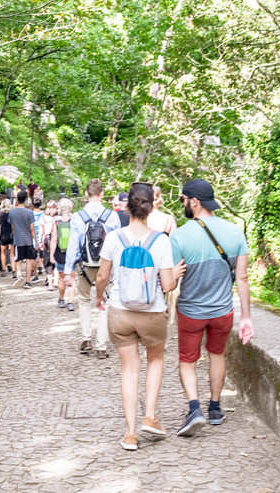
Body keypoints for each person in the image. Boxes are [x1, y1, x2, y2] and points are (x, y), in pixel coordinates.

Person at [94, 183, 185, 451]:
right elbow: (168, 285)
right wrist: (174, 275)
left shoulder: (114, 238)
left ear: (126, 206)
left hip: (120, 312)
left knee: (128, 370)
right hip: (152, 313)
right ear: (151, 206)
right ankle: (150, 416)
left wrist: (99, 297)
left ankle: (131, 433)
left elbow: (102, 276)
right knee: (155, 360)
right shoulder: (161, 240)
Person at [171, 179, 254, 436]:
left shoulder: (180, 235)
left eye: (184, 199)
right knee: (217, 354)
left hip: (191, 312)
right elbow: (242, 278)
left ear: (194, 202)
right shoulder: (235, 232)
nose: (183, 204)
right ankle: (216, 408)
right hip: (223, 311)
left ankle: (194, 408)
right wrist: (246, 318)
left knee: (187, 360)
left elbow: (170, 280)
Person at [64, 179, 121, 358]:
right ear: (102, 194)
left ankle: (86, 337)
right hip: (107, 265)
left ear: (86, 194)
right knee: (104, 301)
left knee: (83, 300)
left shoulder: (78, 217)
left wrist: (68, 271)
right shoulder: (112, 216)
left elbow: (73, 245)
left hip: (85, 265)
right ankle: (101, 346)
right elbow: (118, 244)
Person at [9, 190, 39, 288]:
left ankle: (19, 275)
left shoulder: (12, 212)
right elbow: (32, 229)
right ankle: (27, 281)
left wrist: (15, 236)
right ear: (26, 199)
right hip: (28, 240)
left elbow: (12, 227)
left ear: (17, 199)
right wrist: (36, 241)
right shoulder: (29, 212)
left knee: (19, 259)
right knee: (29, 260)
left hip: (18, 239)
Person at [50, 198, 75, 308]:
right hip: (72, 253)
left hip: (60, 253)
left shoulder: (56, 221)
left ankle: (61, 299)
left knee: (61, 278)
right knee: (72, 278)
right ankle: (70, 302)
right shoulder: (74, 220)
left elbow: (54, 239)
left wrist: (51, 254)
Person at [0, 198, 15, 276]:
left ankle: (3, 270)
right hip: (11, 235)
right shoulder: (12, 214)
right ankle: (14, 270)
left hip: (3, 235)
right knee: (12, 254)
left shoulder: (1, 214)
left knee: (3, 252)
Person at [40, 200, 58, 287]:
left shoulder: (43, 218)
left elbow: (41, 232)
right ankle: (55, 281)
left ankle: (51, 283)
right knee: (56, 260)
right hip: (55, 241)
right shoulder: (59, 218)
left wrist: (40, 243)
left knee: (48, 261)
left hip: (47, 239)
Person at [32, 199, 45, 281]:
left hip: (33, 236)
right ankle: (40, 266)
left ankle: (35, 272)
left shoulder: (31, 213)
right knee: (41, 253)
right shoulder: (43, 214)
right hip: (41, 235)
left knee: (33, 256)